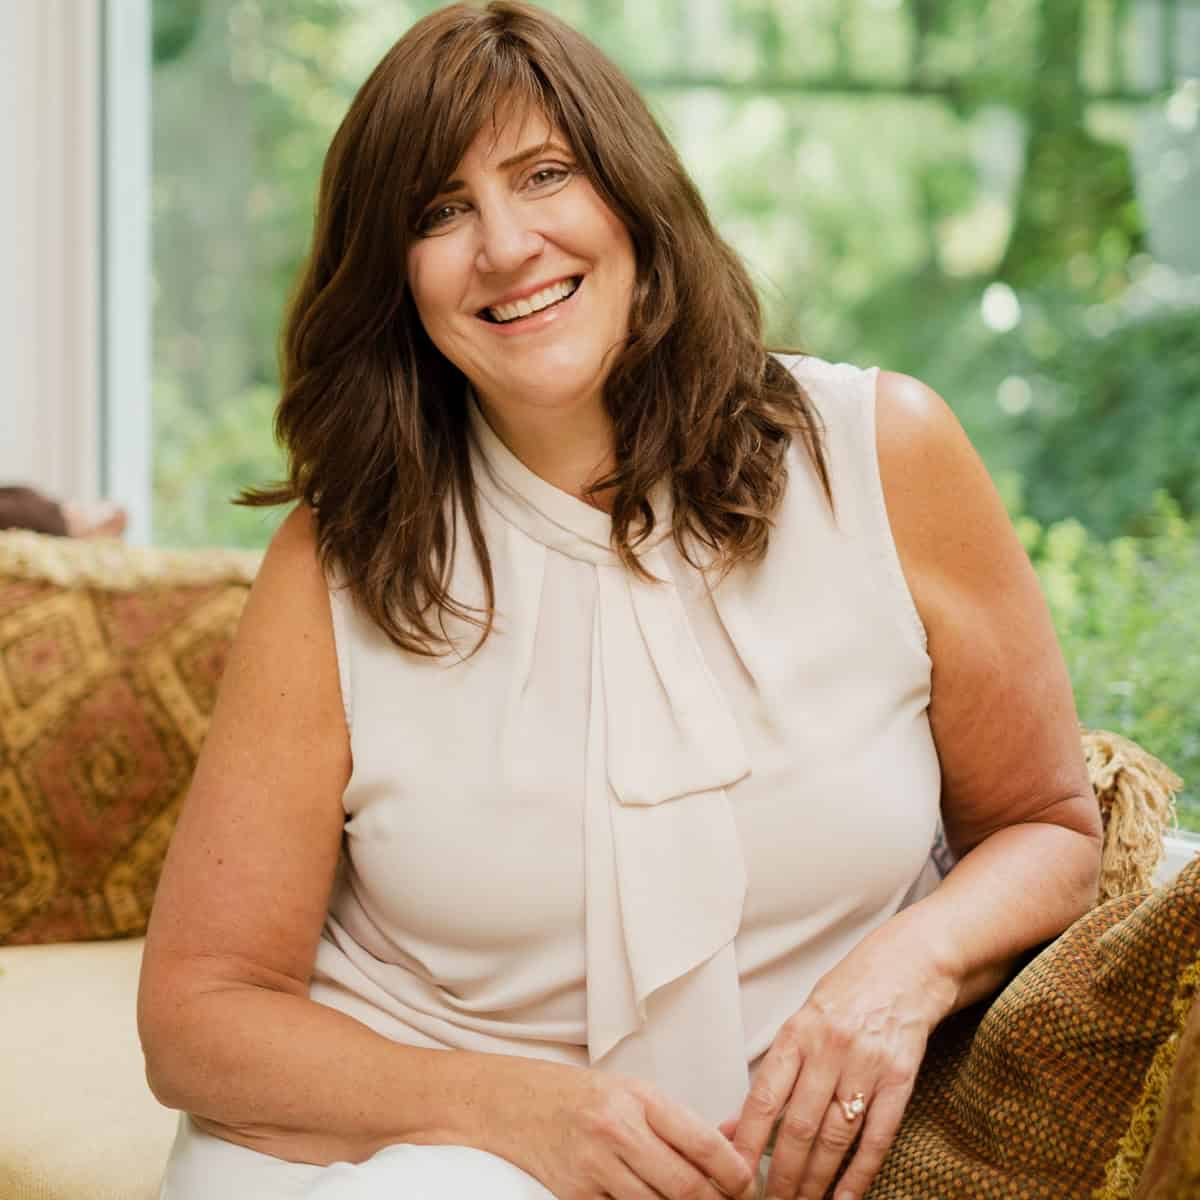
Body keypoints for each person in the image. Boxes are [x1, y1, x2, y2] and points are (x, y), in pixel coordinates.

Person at [137, 4, 1103, 1199]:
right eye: (440, 212)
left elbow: (1053, 828)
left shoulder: (879, 453)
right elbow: (197, 1015)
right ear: (397, 280)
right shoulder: (337, 557)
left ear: (634, 195)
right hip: (399, 1155)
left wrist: (902, 971)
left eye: (545, 174)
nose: (504, 246)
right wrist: (510, 1109)